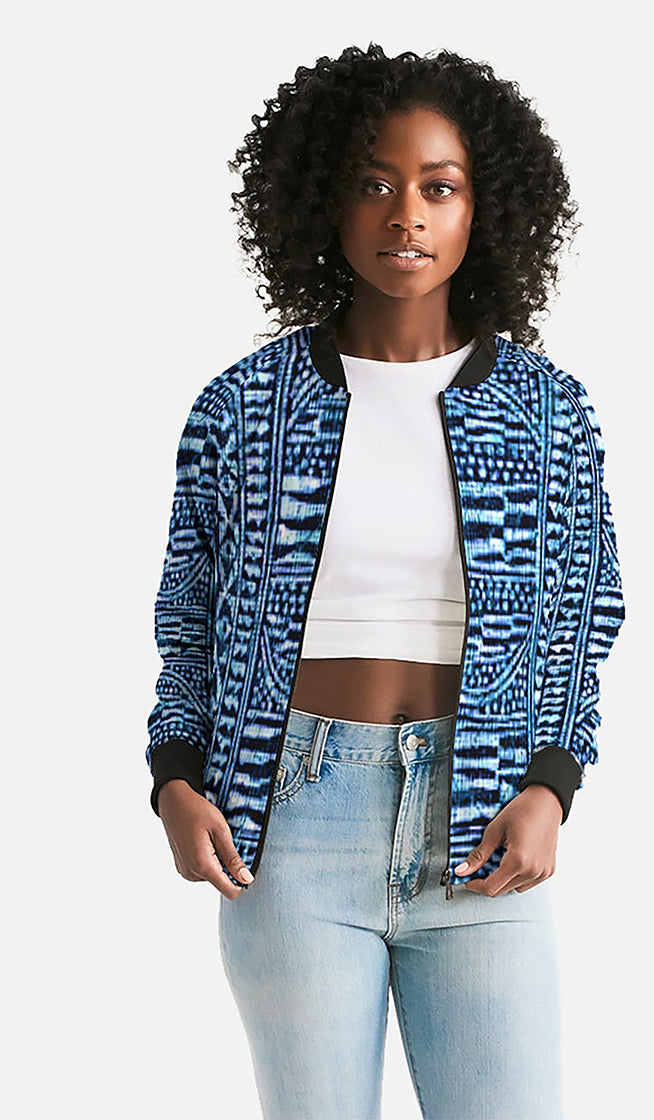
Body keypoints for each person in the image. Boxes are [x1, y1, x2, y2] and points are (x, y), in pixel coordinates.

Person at [147, 43, 626, 1120]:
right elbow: (188, 616)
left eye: (437, 187)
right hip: (291, 821)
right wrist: (173, 777)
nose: (405, 214)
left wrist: (551, 783)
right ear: (323, 199)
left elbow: (584, 614)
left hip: (484, 817)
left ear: (482, 209)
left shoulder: (547, 410)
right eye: (373, 183)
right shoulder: (244, 406)